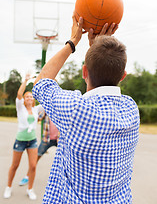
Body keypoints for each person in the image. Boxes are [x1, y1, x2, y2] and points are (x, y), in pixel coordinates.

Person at [32, 16, 140, 203]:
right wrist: (98, 48)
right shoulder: (131, 109)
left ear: (84, 72)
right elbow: (98, 95)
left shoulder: (75, 110)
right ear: (122, 76)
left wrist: (72, 42)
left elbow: (41, 84)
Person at [3, 74, 44, 200]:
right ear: (24, 100)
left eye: (31, 97)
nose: (29, 98)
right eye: (27, 97)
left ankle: (30, 189)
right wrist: (26, 80)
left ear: (33, 99)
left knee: (33, 166)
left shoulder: (37, 109)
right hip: (20, 141)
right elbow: (19, 94)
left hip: (32, 141)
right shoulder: (20, 108)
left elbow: (46, 101)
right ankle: (8, 187)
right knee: (15, 165)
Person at [19, 113, 59, 186]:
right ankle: (27, 176)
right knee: (36, 157)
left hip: (59, 139)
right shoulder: (46, 108)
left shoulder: (61, 108)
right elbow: (37, 118)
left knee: (65, 159)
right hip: (46, 139)